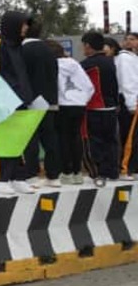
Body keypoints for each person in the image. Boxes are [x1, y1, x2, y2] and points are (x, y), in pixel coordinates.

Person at [0, 12, 37, 194]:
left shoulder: (18, 46)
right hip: (5, 101)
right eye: (23, 24)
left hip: (21, 100)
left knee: (17, 139)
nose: (26, 28)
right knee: (2, 139)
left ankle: (17, 176)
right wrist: (2, 100)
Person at [20, 19, 61, 187]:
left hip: (31, 101)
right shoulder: (49, 50)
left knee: (31, 139)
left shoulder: (22, 50)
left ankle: (32, 174)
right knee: (50, 138)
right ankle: (53, 175)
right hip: (50, 100)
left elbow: (22, 76)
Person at [49, 39, 92, 185]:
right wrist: (83, 99)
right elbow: (88, 85)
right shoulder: (74, 64)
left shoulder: (52, 65)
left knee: (62, 138)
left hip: (62, 105)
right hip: (79, 104)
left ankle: (66, 172)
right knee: (76, 136)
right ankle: (77, 172)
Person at [81, 32, 121, 182]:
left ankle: (100, 172)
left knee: (95, 141)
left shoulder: (86, 65)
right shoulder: (110, 61)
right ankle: (113, 171)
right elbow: (116, 85)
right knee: (111, 141)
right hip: (110, 107)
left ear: (88, 46)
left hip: (94, 107)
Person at [111, 34, 138, 177]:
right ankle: (125, 168)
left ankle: (133, 167)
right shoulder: (124, 58)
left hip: (133, 99)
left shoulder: (134, 58)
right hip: (129, 100)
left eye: (133, 39)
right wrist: (131, 104)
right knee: (129, 136)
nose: (129, 41)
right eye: (127, 39)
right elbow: (127, 82)